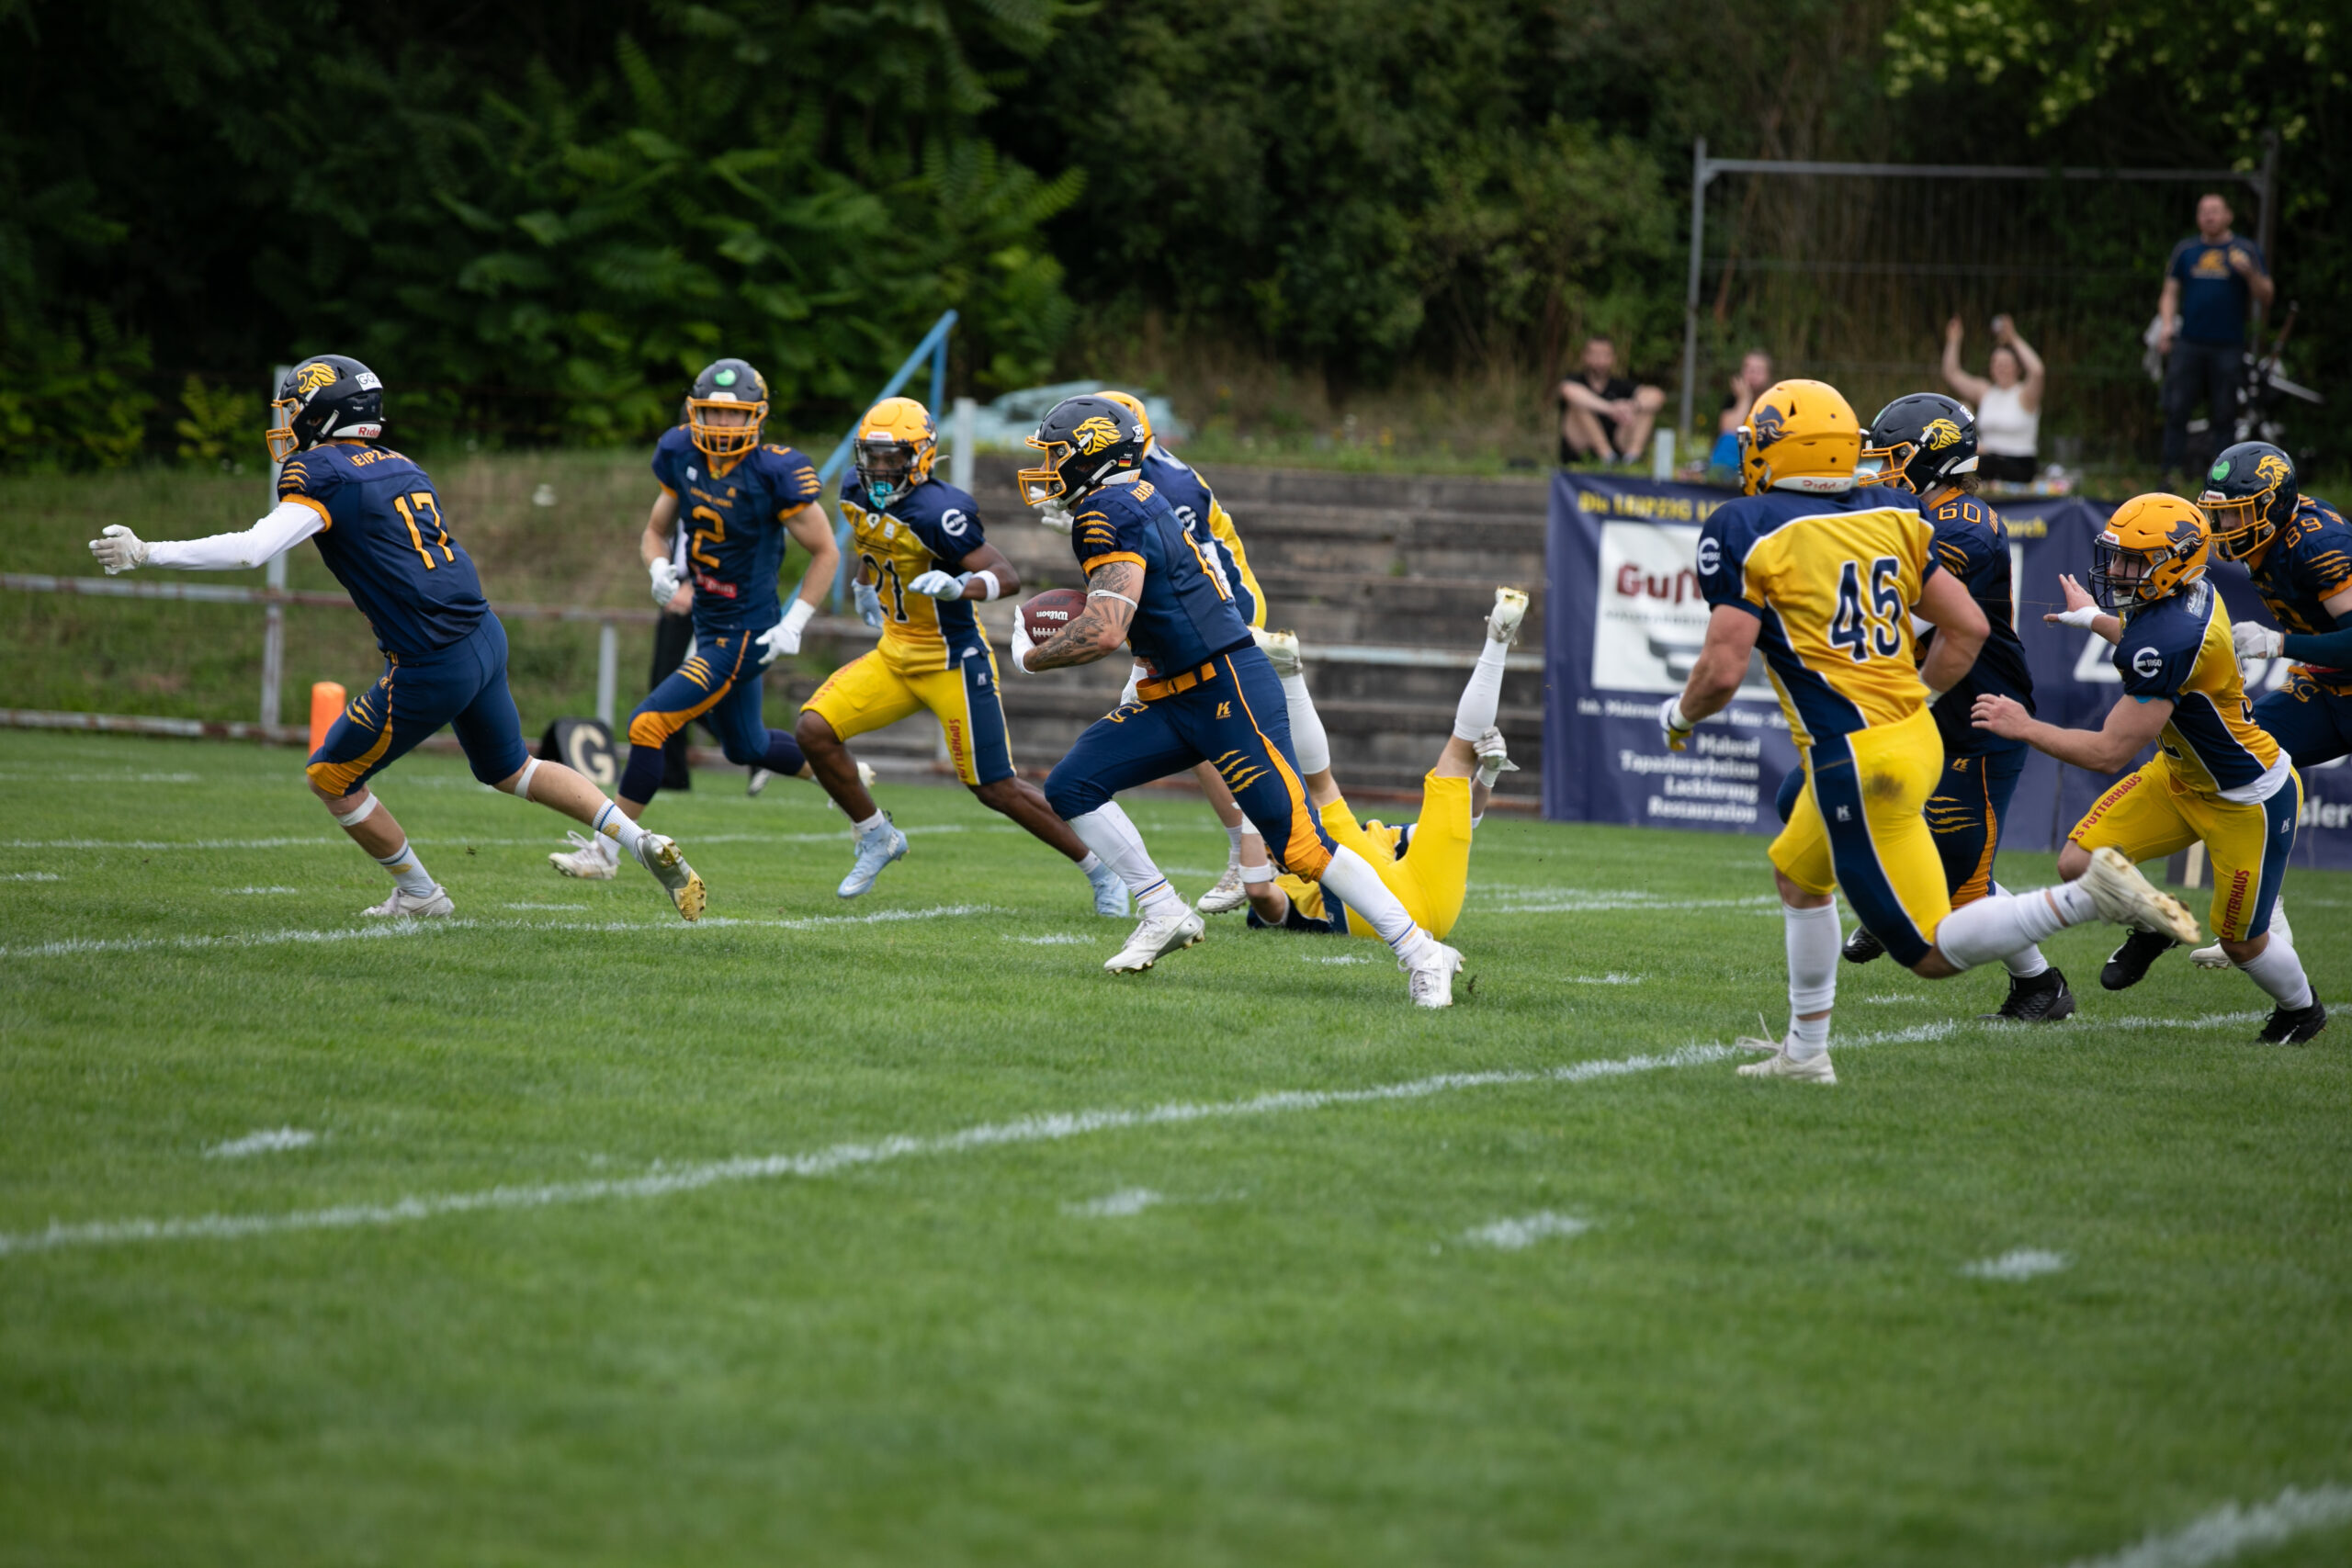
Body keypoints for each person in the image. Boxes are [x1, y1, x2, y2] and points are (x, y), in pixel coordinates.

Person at [1666, 377, 2199, 1084]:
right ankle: (1803, 1052)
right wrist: (1916, 698)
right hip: (1917, 730)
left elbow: (1727, 666)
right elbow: (1964, 624)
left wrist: (1678, 715)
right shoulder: (1890, 510)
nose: (1882, 465)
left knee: (1933, 948)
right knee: (1797, 871)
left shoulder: (1753, 523)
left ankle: (2083, 899)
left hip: (1893, 743)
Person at [89, 355, 706, 920]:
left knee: (331, 775)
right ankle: (636, 837)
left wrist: (150, 551)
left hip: (432, 658)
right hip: (483, 635)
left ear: (325, 413)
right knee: (513, 767)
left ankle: (420, 893)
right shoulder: (403, 465)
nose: (288, 423)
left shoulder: (321, 469)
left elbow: (254, 549)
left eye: (295, 409)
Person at [1012, 394, 1465, 1003]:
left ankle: (1421, 951)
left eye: (1058, 452)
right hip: (1174, 691)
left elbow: (1106, 628)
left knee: (1301, 844)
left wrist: (1031, 655)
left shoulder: (1106, 509)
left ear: (1093, 451)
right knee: (1072, 785)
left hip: (1224, 685)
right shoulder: (1128, 496)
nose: (1048, 465)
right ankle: (1162, 909)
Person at [1976, 494, 2323, 1043]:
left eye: (2132, 561)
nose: (2116, 571)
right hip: (2180, 776)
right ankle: (2153, 924)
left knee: (2241, 942)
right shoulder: (2187, 593)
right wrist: (2091, 617)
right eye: (2115, 557)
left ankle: (2301, 1011)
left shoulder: (2174, 637)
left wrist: (2024, 727)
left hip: (2245, 798)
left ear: (2174, 561)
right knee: (2079, 862)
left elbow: (2108, 753)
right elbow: (2144, 640)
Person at [796, 396, 1127, 910]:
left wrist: (962, 587)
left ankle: (1100, 869)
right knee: (813, 731)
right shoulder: (855, 490)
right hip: (895, 655)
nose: (880, 469)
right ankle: (876, 834)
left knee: (995, 787)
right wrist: (865, 583)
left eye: (893, 458)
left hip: (952, 660)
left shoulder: (938, 511)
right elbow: (870, 543)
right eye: (873, 456)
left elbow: (1007, 576)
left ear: (922, 455)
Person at [549, 358, 842, 883]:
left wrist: (796, 619)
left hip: (747, 630)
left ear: (757, 418)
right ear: (693, 412)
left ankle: (606, 851)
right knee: (746, 746)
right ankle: (847, 778)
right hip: (708, 619)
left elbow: (825, 551)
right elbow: (655, 532)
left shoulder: (775, 471)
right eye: (711, 414)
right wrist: (659, 567)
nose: (722, 427)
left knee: (648, 723)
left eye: (734, 417)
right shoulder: (680, 451)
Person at [1837, 392, 2075, 1021]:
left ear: (1930, 459)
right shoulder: (1914, 513)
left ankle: (2042, 985)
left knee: (1966, 893)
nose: (1879, 473)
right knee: (1871, 811)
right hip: (1934, 712)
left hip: (1980, 717)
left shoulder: (1966, 523)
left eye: (1890, 461)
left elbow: (1906, 614)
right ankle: (1891, 907)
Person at [1046, 389, 1272, 916]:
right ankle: (1252, 853)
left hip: (1220, 615)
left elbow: (1180, 572)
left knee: (1196, 727)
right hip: (1186, 620)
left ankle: (1249, 857)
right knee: (1202, 734)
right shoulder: (1138, 480)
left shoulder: (1161, 485)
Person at [1241, 592, 1522, 943]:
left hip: (1410, 918)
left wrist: (1246, 815)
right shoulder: (1301, 873)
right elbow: (1260, 894)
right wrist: (1487, 775)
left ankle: (1288, 672)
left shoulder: (1365, 838)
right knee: (1459, 756)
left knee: (1326, 788)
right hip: (1434, 902)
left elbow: (1452, 824)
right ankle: (1499, 640)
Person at [2187, 440, 2350, 967]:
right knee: (2235, 757)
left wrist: (2282, 644)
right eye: (2221, 512)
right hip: (2329, 688)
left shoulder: (2318, 542)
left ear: (2274, 505)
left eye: (2236, 512)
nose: (2225, 524)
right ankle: (2265, 915)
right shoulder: (2269, 539)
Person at [2157, 194, 2274, 485]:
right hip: (2189, 343)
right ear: (2198, 217)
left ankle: (2224, 477)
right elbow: (2169, 292)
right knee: (2177, 407)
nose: (2209, 216)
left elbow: (2267, 295)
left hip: (2228, 345)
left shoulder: (2245, 250)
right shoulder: (2186, 251)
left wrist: (2250, 273)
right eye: (2203, 211)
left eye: (2215, 211)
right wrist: (2167, 326)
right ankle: (2169, 472)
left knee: (2225, 412)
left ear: (2228, 216)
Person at [1939, 315, 2044, 484]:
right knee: (1961, 408)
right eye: (1996, 363)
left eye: (2006, 364)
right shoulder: (1985, 391)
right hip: (1986, 462)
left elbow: (2037, 371)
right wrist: (1954, 340)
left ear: (2018, 368)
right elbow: (1951, 374)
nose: (2000, 368)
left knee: (1985, 460)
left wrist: (2013, 338)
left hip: (2018, 465)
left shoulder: (2026, 395)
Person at [1558, 335, 1666, 466]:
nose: (1600, 360)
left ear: (1613, 358)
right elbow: (1569, 391)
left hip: (1619, 440)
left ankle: (1632, 459)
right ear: (1585, 356)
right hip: (1581, 445)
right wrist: (1610, 408)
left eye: (1605, 355)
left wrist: (1632, 406)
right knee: (1579, 405)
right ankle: (1607, 457)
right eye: (1595, 354)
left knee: (1646, 408)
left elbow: (1657, 396)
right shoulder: (1575, 380)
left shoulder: (1621, 384)